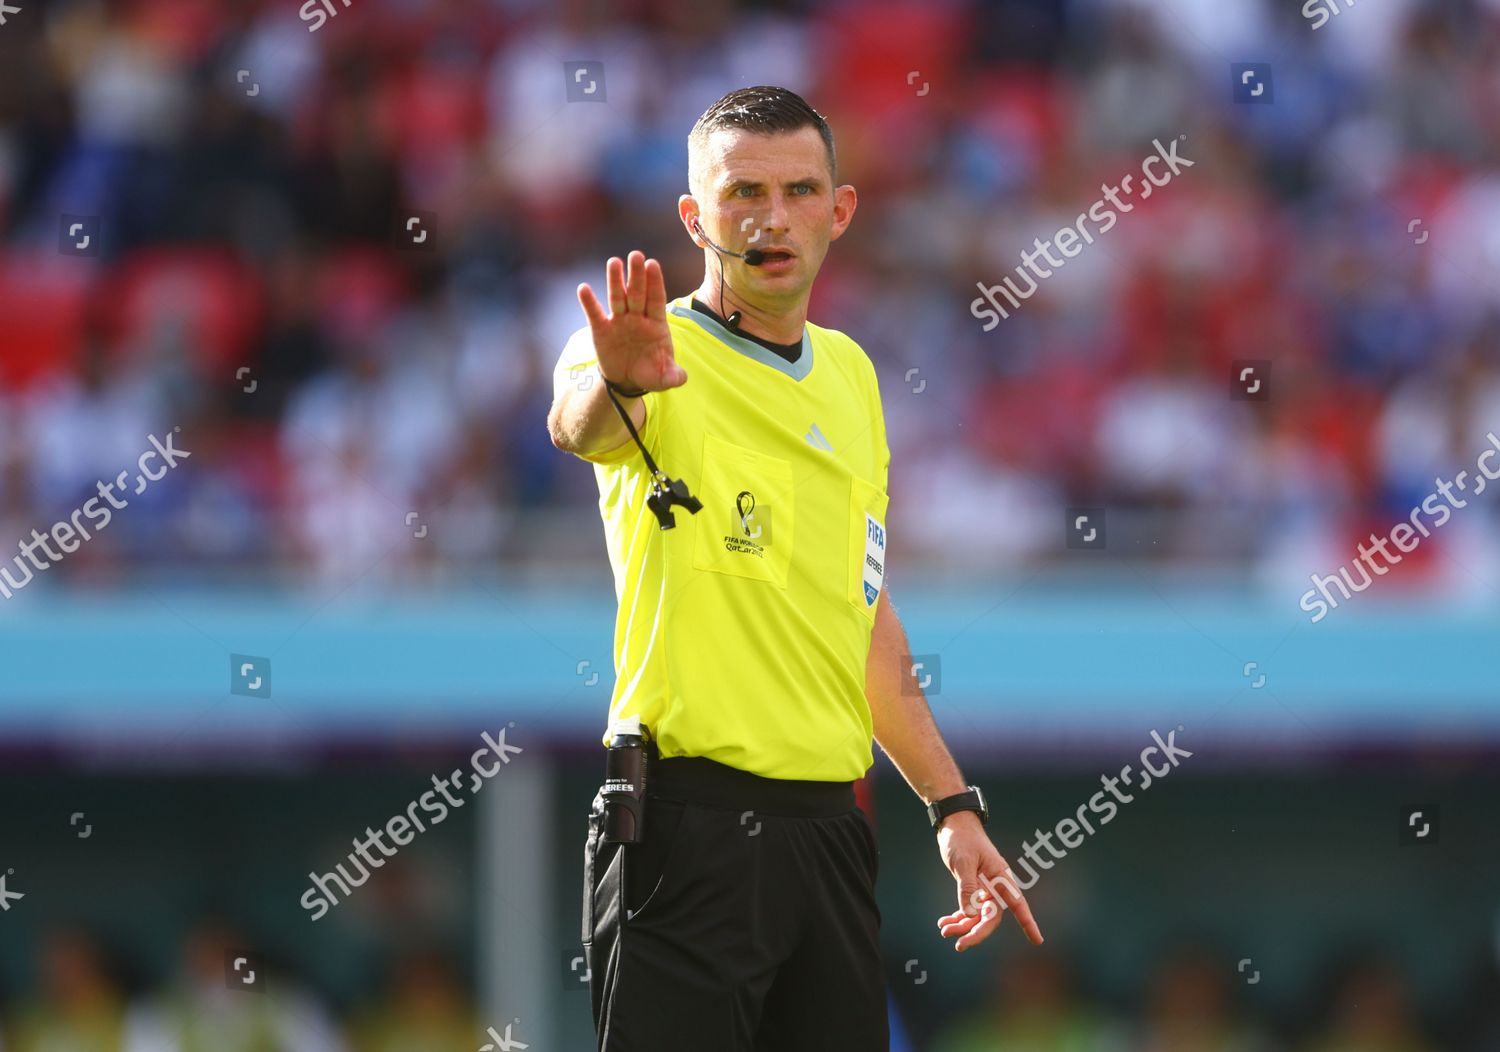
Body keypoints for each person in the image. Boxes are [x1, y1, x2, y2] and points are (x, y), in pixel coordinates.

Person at [547, 85, 1043, 1052]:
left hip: (828, 830)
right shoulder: (646, 346)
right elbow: (579, 429)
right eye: (741, 194)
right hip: (684, 824)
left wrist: (951, 806)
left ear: (838, 211)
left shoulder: (853, 377)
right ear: (695, 216)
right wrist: (616, 381)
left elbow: (856, 608)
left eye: (799, 190)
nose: (771, 218)